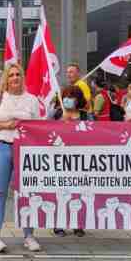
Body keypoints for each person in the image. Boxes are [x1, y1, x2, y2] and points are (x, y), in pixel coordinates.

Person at [0, 62, 44, 253]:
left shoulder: (32, 99)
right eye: (11, 75)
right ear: (6, 79)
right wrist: (5, 126)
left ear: (22, 77)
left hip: (25, 150)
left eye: (18, 74)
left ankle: (28, 235)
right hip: (1, 147)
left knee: (27, 193)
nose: (15, 78)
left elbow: (39, 127)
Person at [53, 86, 87, 238]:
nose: (68, 99)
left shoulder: (86, 116)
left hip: (82, 160)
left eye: (71, 96)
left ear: (78, 99)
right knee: (61, 192)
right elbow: (46, 131)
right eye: (65, 96)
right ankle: (59, 224)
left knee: (79, 193)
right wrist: (61, 121)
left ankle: (78, 223)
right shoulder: (57, 113)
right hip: (61, 159)